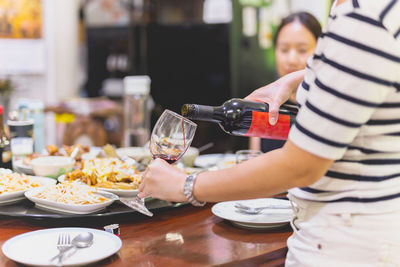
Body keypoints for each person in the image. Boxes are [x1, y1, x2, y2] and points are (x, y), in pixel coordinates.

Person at [139, 0, 400, 265]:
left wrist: (186, 185)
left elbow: (300, 166)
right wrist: (299, 78)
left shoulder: (364, 17)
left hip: (348, 245)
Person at [250, 11, 322, 153]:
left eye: (302, 50)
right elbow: (253, 158)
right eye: (284, 49)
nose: (291, 60)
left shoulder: (326, 105)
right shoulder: (265, 103)